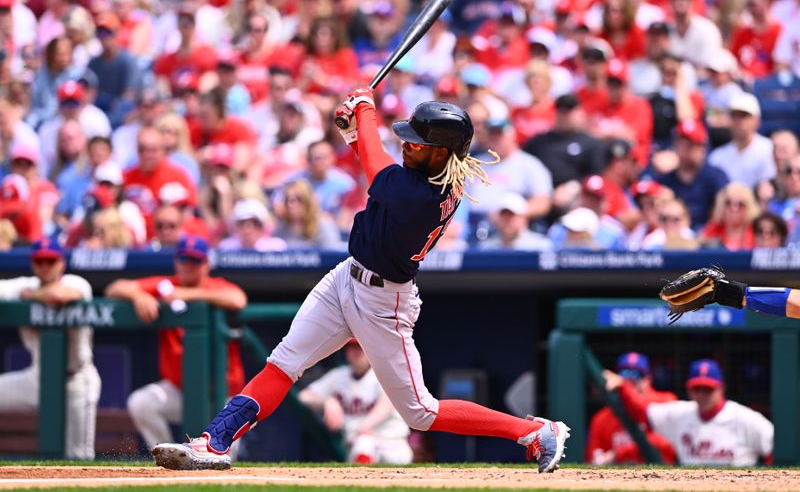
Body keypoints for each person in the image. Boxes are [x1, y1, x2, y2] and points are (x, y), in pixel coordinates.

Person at [151, 88, 570, 472]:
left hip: (384, 301)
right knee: (283, 362)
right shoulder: (419, 177)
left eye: (418, 143)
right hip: (344, 279)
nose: (407, 144)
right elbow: (374, 159)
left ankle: (535, 432)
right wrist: (354, 131)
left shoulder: (423, 195)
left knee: (419, 412)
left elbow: (377, 165)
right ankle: (214, 442)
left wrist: (364, 109)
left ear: (441, 154)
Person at [105, 236, 247, 451]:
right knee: (142, 403)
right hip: (180, 391)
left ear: (206, 264)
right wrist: (138, 296)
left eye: (195, 261)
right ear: (176, 262)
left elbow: (238, 299)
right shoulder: (166, 286)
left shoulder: (214, 286)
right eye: (184, 260)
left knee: (223, 458)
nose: (188, 266)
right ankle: (167, 455)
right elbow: (115, 288)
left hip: (222, 394)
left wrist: (186, 295)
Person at [0, 239, 99, 460]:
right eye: (40, 261)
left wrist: (31, 297)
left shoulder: (76, 282)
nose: (45, 266)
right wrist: (24, 293)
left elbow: (60, 296)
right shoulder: (22, 285)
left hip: (76, 380)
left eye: (50, 261)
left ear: (61, 263)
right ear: (32, 264)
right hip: (38, 377)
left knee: (78, 458)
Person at [603, 359, 773, 466]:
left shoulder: (745, 418)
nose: (702, 394)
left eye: (708, 389)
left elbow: (776, 449)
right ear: (689, 390)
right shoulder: (682, 413)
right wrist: (624, 387)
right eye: (697, 388)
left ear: (721, 388)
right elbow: (641, 411)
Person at [298, 339, 413, 464]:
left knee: (364, 443)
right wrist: (327, 401)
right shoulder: (339, 376)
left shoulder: (386, 374)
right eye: (353, 347)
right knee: (363, 444)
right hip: (359, 445)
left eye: (361, 347)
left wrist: (359, 430)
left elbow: (386, 405)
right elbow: (303, 396)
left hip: (392, 445)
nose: (357, 351)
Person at [587, 353, 677, 465]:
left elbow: (669, 448)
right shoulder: (601, 418)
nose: (629, 383)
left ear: (648, 380)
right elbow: (595, 462)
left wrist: (618, 454)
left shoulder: (666, 402)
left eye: (637, 376)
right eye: (624, 377)